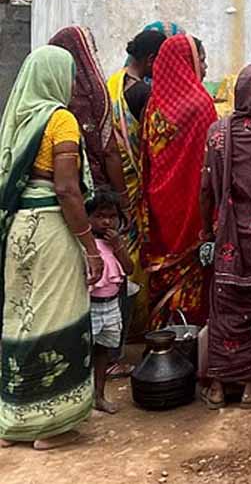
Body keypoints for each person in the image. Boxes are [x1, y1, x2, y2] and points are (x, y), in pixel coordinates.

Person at [0, 46, 102, 450]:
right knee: (57, 318)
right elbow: (66, 189)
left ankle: (14, 418)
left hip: (18, 230)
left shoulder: (17, 120)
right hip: (50, 232)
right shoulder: (60, 120)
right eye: (70, 75)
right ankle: (50, 426)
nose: (73, 84)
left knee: (20, 318)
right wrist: (90, 247)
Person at [199, 64, 251, 409]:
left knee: (224, 306)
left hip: (227, 235)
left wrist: (206, 231)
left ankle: (217, 386)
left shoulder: (218, 133)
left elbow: (205, 188)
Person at [140, 35, 215, 327]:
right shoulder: (200, 105)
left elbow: (148, 158)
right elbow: (208, 165)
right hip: (190, 208)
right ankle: (188, 337)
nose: (205, 68)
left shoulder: (154, 104)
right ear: (187, 62)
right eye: (202, 60)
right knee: (193, 277)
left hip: (160, 207)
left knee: (162, 274)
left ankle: (159, 334)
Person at [105, 28, 166, 376]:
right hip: (134, 188)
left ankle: (114, 335)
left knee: (114, 259)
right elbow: (154, 143)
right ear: (152, 60)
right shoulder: (142, 93)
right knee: (131, 263)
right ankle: (134, 329)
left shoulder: (113, 85)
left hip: (114, 187)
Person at [47, 26, 123, 192]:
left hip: (51, 186)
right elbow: (109, 150)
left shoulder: (43, 96)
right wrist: (123, 196)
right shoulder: (94, 94)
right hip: (93, 187)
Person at [86, 188, 132, 415]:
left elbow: (129, 268)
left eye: (112, 216)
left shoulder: (115, 242)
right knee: (83, 352)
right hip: (89, 306)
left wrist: (118, 245)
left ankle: (99, 396)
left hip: (111, 304)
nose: (106, 222)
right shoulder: (85, 244)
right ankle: (81, 399)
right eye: (100, 216)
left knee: (103, 351)